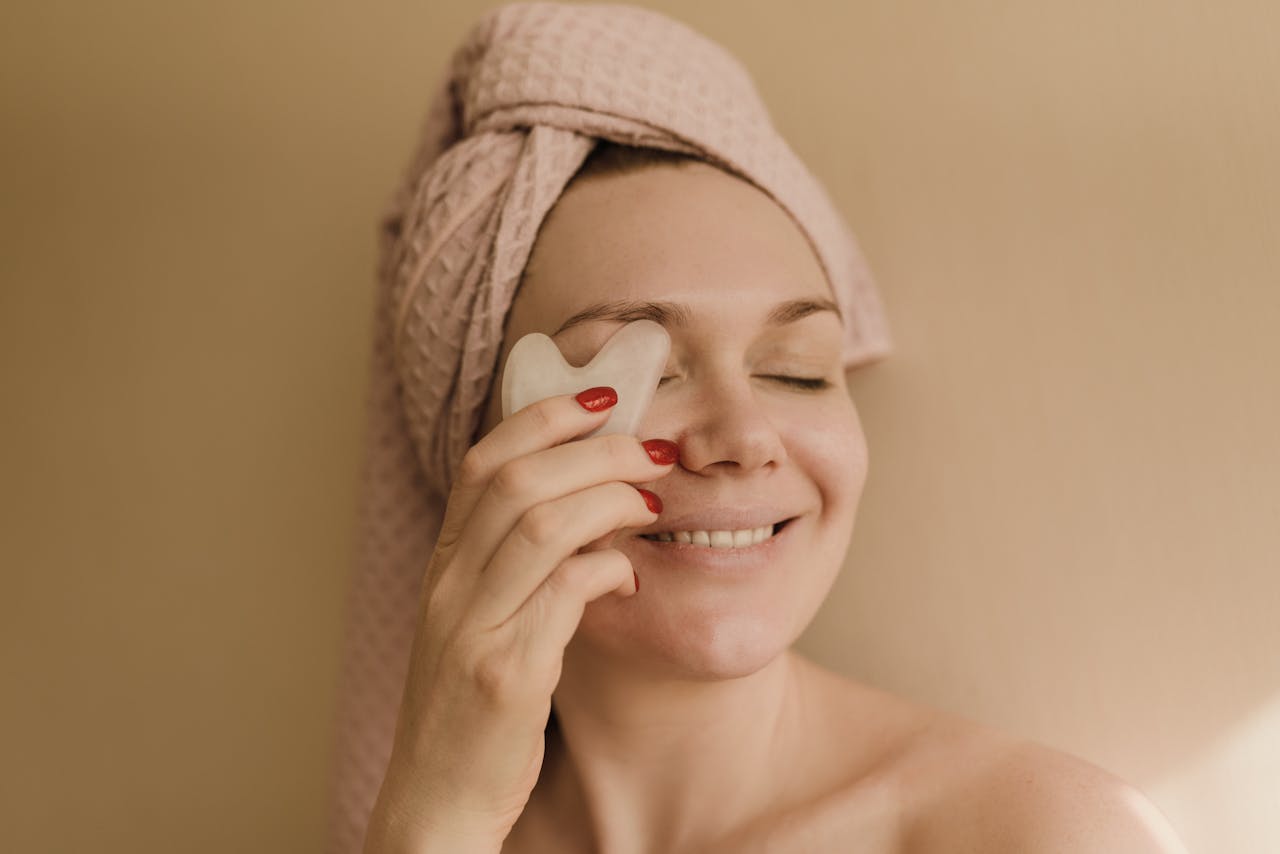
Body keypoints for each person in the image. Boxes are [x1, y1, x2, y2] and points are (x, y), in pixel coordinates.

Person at [329, 4, 1189, 853]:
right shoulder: (431, 828)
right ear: (477, 445)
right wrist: (433, 826)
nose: (744, 436)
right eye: (649, 372)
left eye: (797, 371)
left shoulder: (1041, 834)